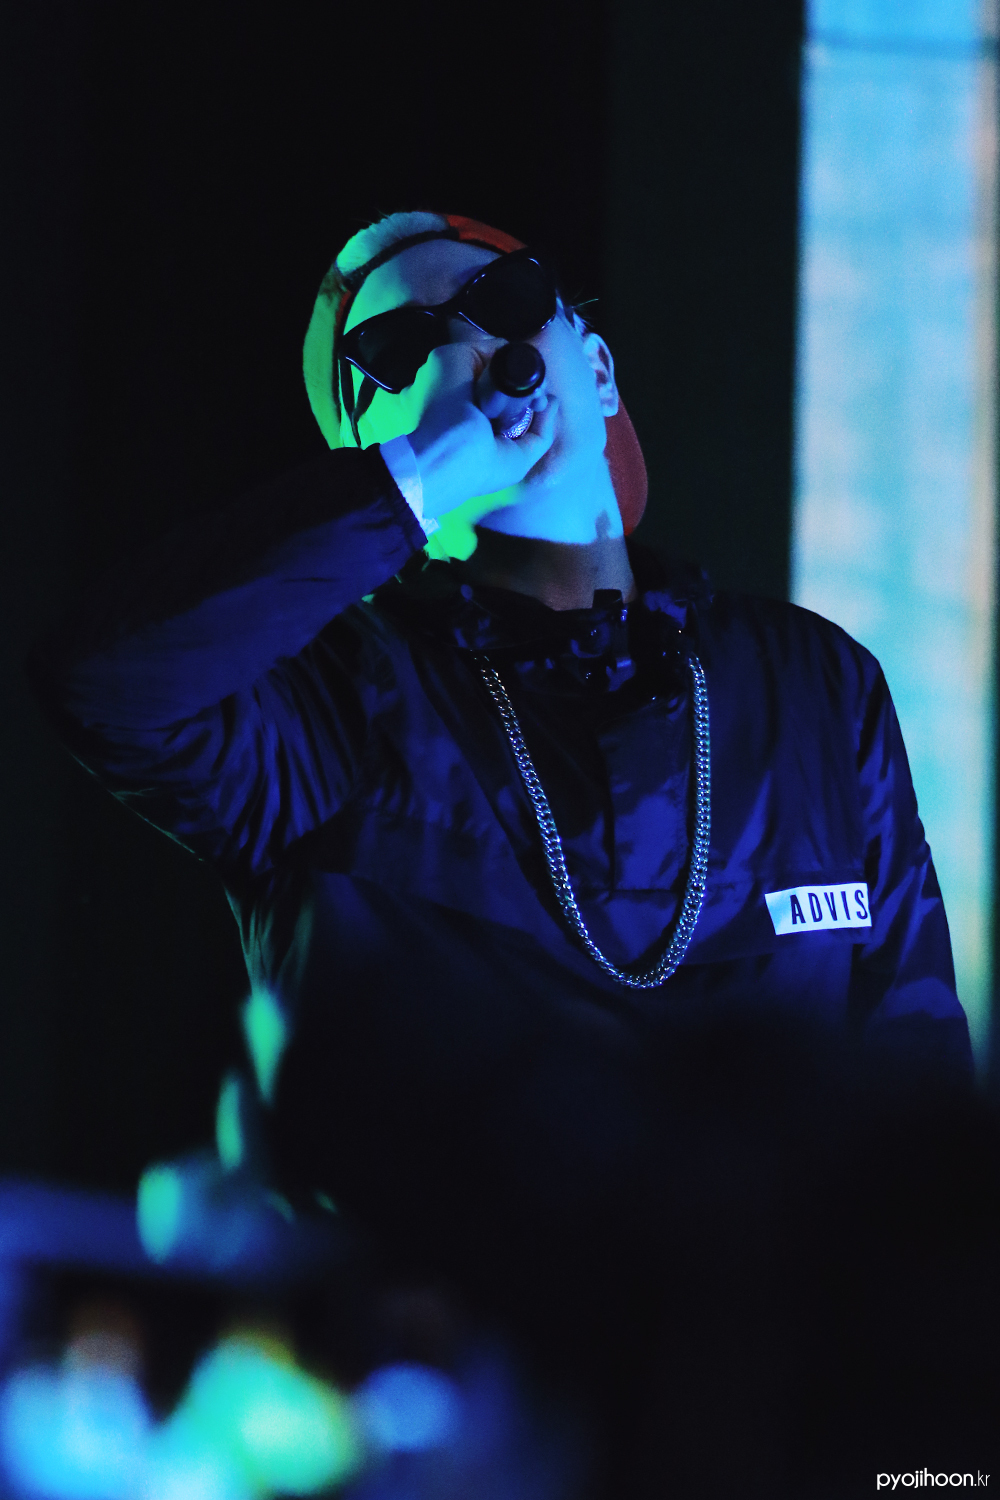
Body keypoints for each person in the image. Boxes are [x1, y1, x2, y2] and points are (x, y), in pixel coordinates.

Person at [28, 208, 972, 1415]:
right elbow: (106, 685)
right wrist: (414, 484)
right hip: (446, 1421)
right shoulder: (324, 704)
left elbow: (914, 1087)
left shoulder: (811, 681)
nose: (467, 349)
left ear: (596, 367)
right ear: (365, 453)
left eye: (508, 299)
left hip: (761, 1419)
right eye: (396, 353)